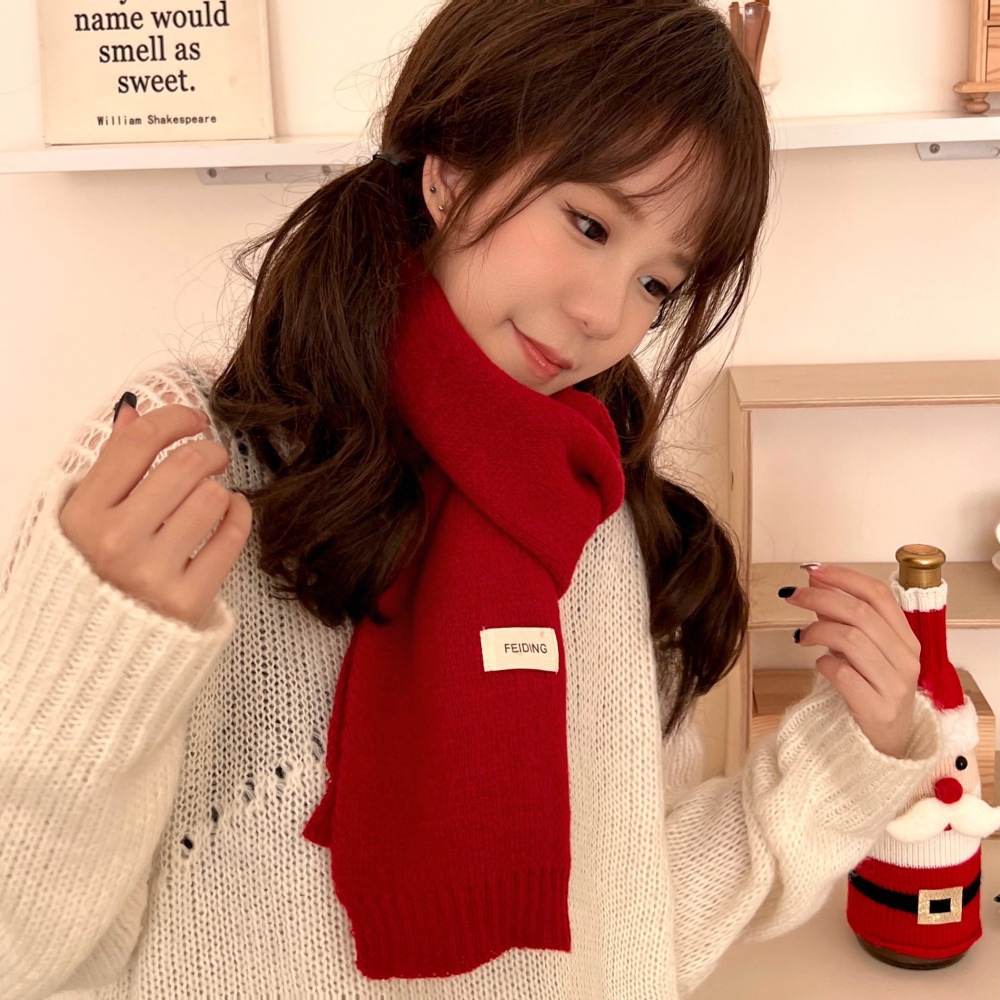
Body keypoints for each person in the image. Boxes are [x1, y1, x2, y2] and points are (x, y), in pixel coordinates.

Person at [0, 2, 943, 998]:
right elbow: (28, 950)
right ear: (449, 171)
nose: (603, 314)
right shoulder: (185, 468)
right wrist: (100, 655)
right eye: (588, 223)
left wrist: (852, 755)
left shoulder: (599, 519)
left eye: (657, 285)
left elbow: (628, 921)